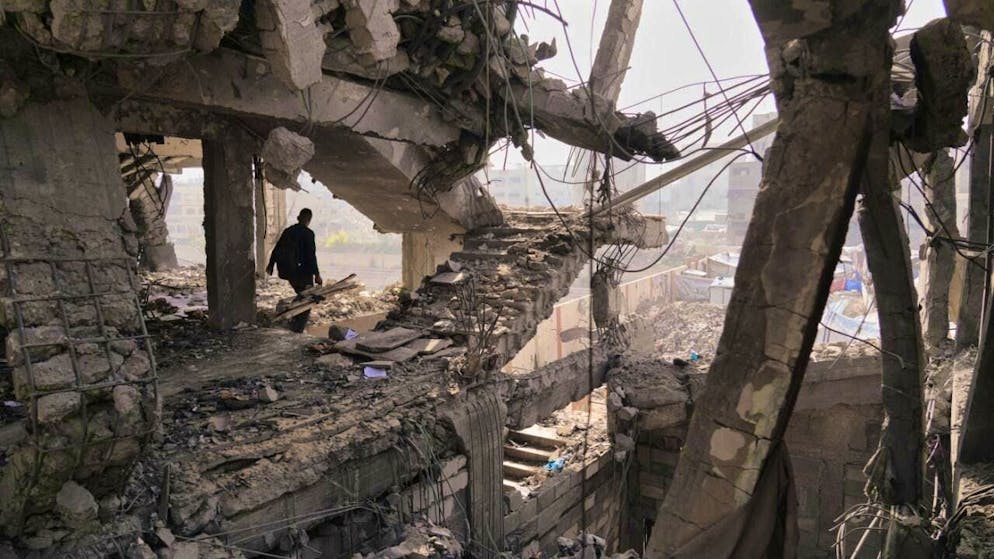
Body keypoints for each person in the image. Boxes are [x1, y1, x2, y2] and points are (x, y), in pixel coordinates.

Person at [266, 208, 323, 332]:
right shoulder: (308, 233)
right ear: (309, 220)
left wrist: (271, 265)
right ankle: (297, 328)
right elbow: (311, 256)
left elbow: (277, 248)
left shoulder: (288, 231)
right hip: (303, 272)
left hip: (289, 271)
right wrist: (317, 275)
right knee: (308, 300)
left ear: (299, 217)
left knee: (302, 295)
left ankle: (293, 320)